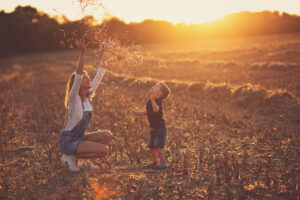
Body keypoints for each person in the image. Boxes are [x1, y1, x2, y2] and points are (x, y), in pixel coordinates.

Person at [59, 39, 113, 172]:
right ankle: (68, 157)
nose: (88, 78)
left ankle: (82, 162)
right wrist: (82, 54)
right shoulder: (73, 99)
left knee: (107, 136)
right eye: (85, 77)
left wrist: (106, 51)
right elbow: (77, 76)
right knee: (105, 150)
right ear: (77, 85)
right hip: (68, 142)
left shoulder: (88, 97)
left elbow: (100, 73)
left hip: (81, 138)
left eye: (87, 76)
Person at [132, 82, 171, 169]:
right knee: (152, 146)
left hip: (160, 128)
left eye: (157, 87)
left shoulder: (158, 101)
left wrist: (153, 99)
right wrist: (138, 113)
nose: (153, 86)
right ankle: (155, 161)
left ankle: (163, 162)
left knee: (158, 146)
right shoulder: (150, 101)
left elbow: (156, 110)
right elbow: (149, 112)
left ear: (160, 93)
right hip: (153, 128)